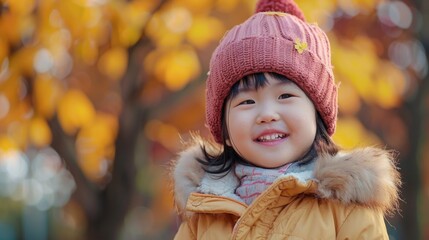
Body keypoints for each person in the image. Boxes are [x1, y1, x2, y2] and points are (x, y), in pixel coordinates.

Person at [172, 0, 401, 239]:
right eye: (246, 102)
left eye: (285, 95)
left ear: (318, 113)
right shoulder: (203, 211)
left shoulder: (347, 208)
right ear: (224, 126)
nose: (267, 114)